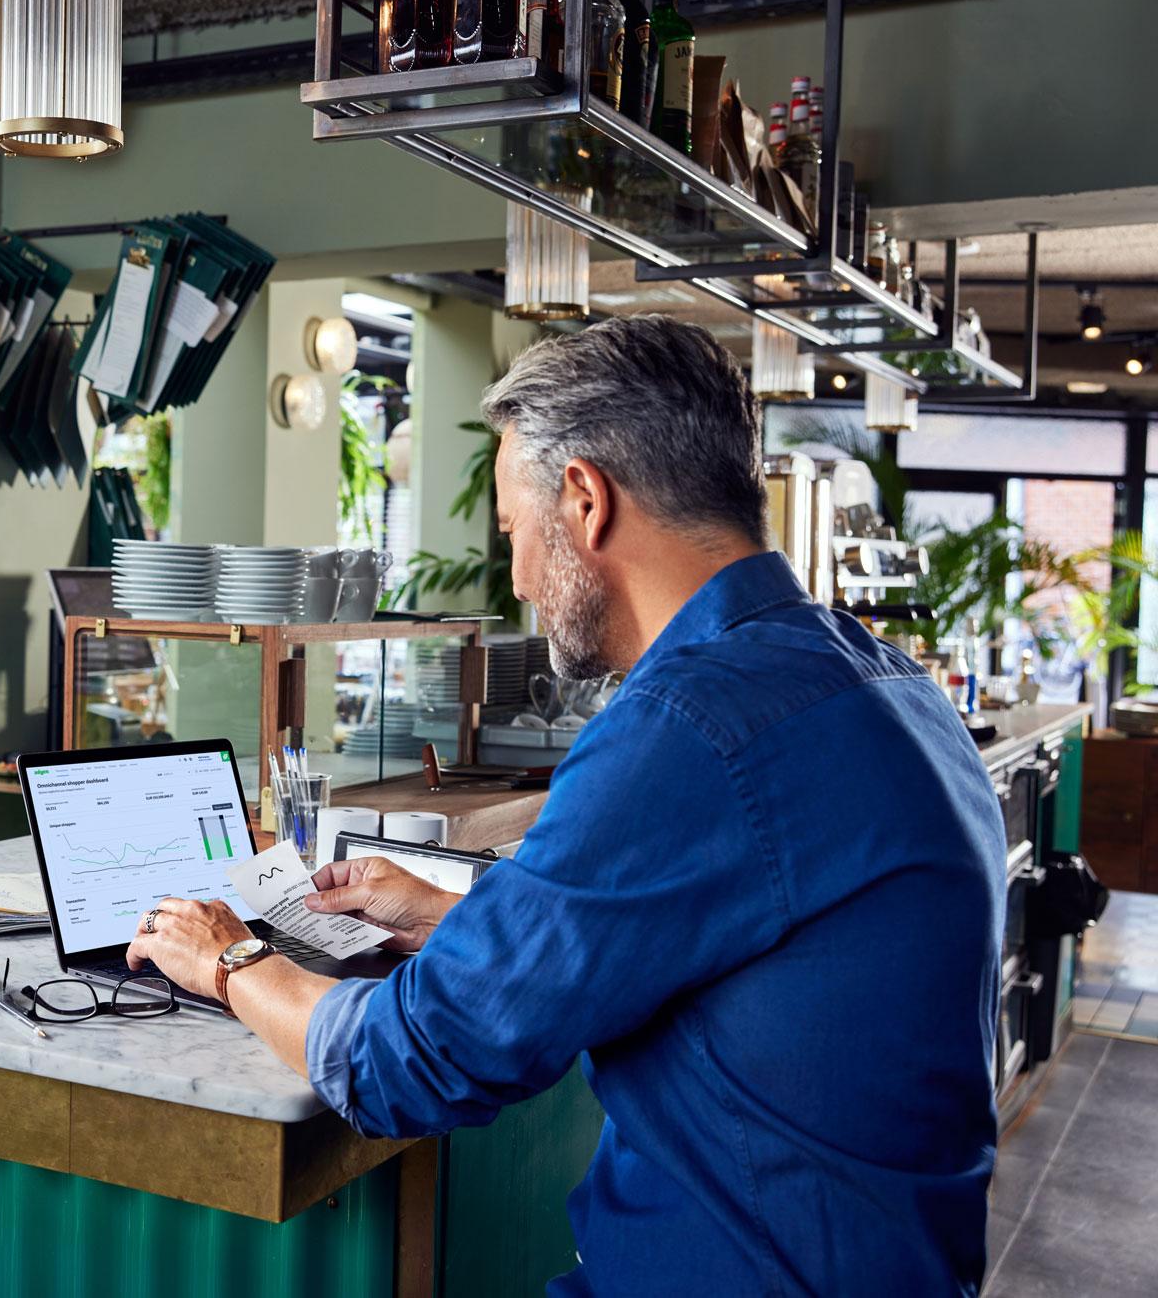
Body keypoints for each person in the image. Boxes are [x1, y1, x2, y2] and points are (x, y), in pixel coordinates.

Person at [127, 314, 1005, 1295]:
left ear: (583, 500)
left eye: (510, 530)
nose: (514, 578)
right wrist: (460, 920)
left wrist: (228, 957)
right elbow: (741, 945)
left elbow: (409, 1062)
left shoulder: (688, 725)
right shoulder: (880, 680)